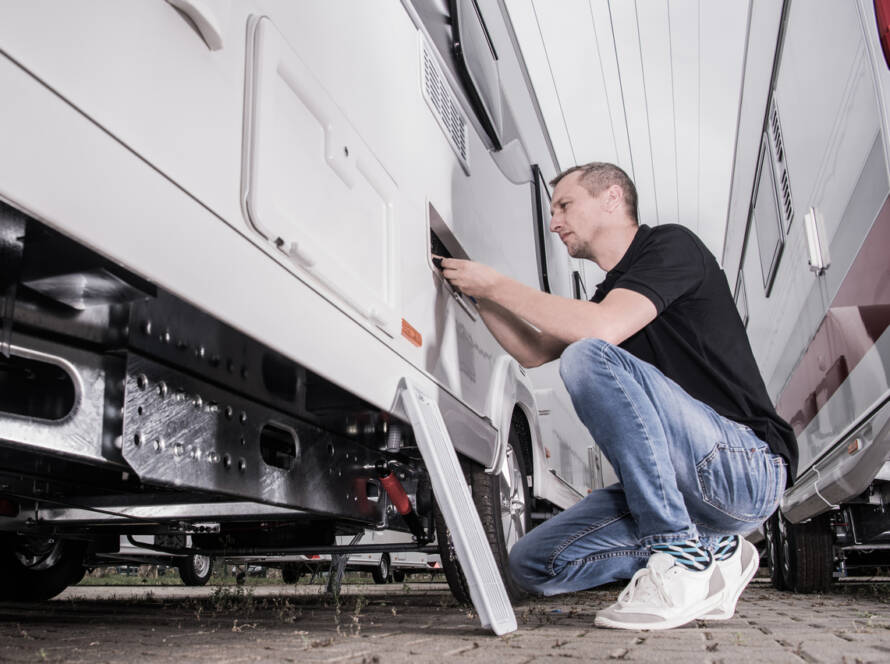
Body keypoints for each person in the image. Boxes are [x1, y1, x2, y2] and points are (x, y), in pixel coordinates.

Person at [439, 162, 797, 630]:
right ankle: (718, 549)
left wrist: (497, 284)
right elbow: (531, 350)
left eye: (564, 205)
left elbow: (599, 330)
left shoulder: (672, 246)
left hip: (745, 468)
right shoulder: (610, 295)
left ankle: (679, 557)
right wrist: (480, 295)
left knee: (586, 355)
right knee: (532, 563)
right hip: (689, 492)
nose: (554, 223)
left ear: (611, 197)